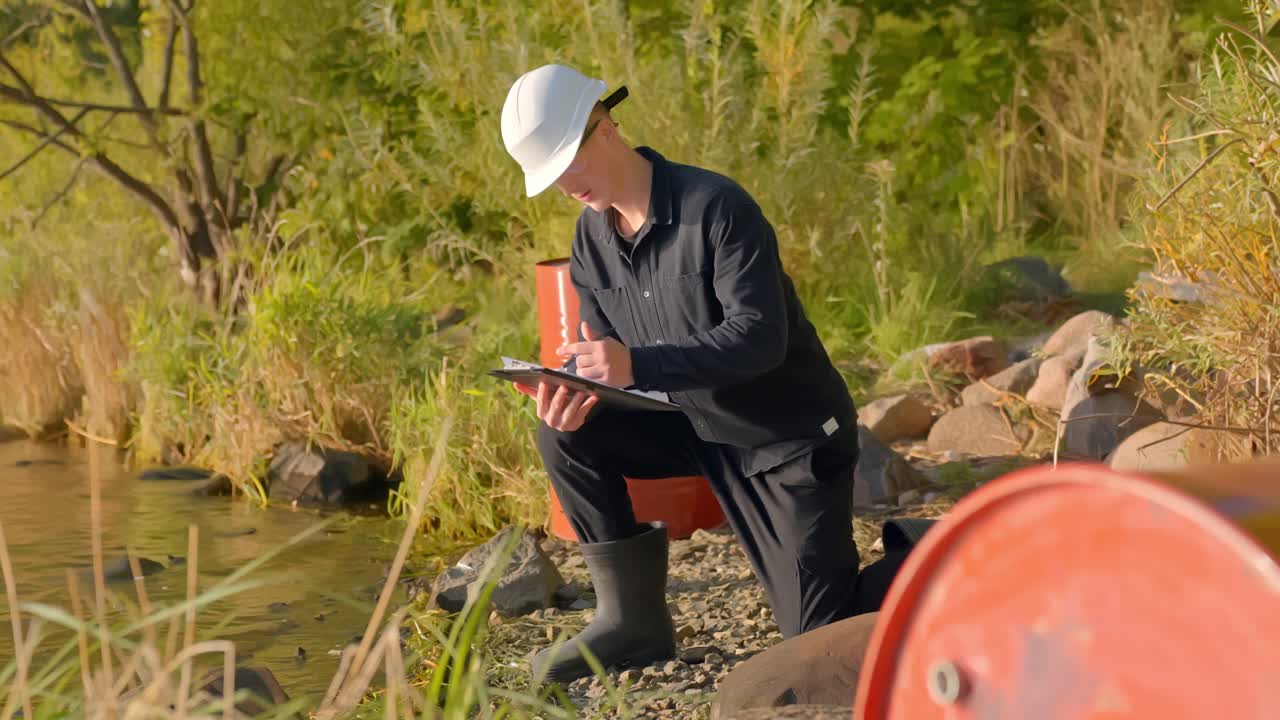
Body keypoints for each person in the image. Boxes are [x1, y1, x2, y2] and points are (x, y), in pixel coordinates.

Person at [499, 64, 922, 684]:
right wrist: (576, 391)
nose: (564, 184)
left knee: (820, 645)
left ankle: (939, 547)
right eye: (550, 175)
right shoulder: (590, 241)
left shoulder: (717, 207)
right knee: (563, 435)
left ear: (606, 128)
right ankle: (631, 623)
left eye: (567, 160)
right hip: (696, 429)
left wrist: (635, 364)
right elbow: (606, 357)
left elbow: (760, 340)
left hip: (790, 442)